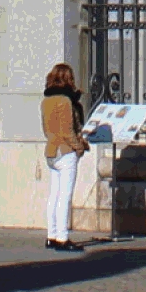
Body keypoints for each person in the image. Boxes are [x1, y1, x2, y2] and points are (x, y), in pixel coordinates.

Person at [41, 63, 88, 251]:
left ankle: (51, 235)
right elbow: (68, 130)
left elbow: (46, 129)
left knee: (54, 195)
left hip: (51, 149)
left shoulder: (46, 100)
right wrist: (79, 147)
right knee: (65, 196)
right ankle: (62, 237)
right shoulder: (65, 101)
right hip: (65, 151)